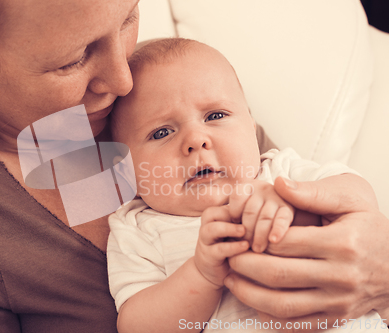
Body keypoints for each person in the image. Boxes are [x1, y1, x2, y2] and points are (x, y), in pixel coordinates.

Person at [0, 0, 387, 332]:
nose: (125, 80)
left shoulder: (169, 96)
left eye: (128, 17)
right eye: (72, 60)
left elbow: (324, 204)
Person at [107, 38, 386, 332]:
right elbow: (137, 327)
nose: (195, 140)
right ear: (125, 171)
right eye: (162, 132)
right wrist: (202, 274)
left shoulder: (281, 171)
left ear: (251, 127)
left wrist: (295, 199)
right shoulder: (137, 229)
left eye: (215, 116)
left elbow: (359, 196)